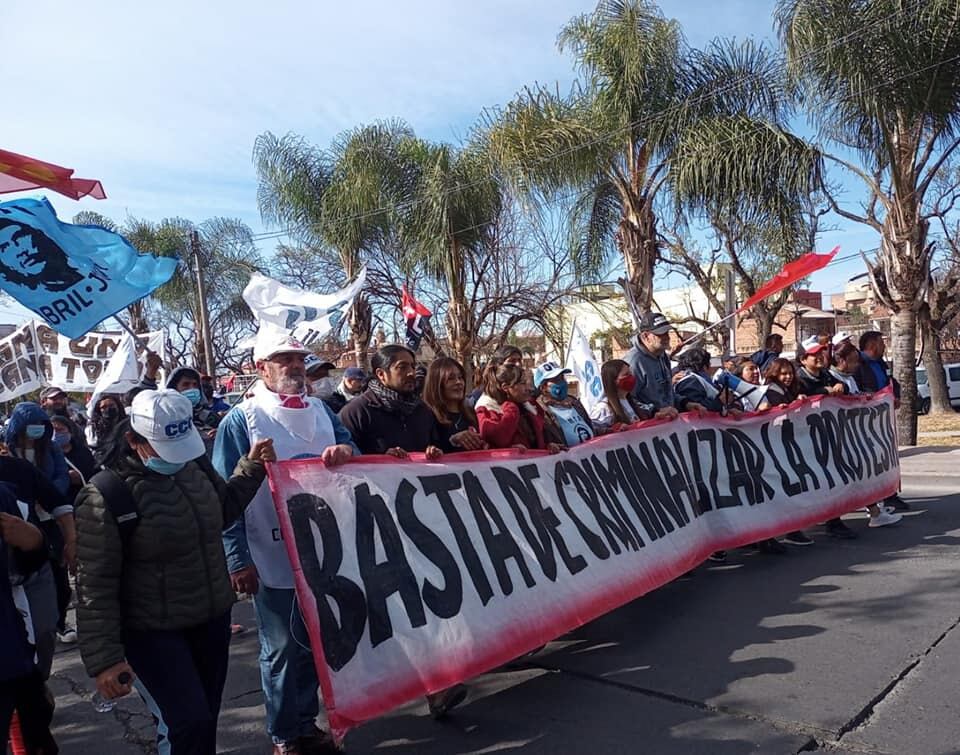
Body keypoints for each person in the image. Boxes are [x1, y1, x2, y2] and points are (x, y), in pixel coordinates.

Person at [75, 389, 274, 755]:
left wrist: (251, 467)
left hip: (210, 618)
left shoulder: (194, 466)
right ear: (134, 440)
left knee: (203, 721)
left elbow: (223, 509)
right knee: (187, 722)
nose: (176, 459)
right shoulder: (105, 495)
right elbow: (94, 585)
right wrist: (104, 659)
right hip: (152, 632)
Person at [217, 330, 356, 754]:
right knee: (278, 648)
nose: (295, 366)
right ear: (262, 369)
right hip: (270, 549)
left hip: (322, 546)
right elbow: (225, 495)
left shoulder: (319, 409)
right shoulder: (240, 420)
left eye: (298, 359)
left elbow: (349, 444)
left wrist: (345, 451)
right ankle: (283, 736)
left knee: (314, 642)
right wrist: (237, 558)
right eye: (283, 360)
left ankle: (303, 721)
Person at [4, 402, 75, 675]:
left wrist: (71, 540)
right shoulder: (11, 450)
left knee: (43, 629)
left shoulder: (19, 468)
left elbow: (58, 499)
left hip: (34, 566)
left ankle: (39, 678)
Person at [0, 484, 58, 754]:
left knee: (33, 738)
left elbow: (22, 569)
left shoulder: (2, 495)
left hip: (11, 655)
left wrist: (33, 541)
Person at [339, 345, 443, 459]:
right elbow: (346, 460)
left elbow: (437, 446)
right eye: (402, 367)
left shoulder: (423, 410)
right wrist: (381, 459)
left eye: (413, 367)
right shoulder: (355, 413)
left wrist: (435, 452)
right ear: (381, 374)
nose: (411, 373)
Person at [475, 363, 563, 452]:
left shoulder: (528, 407)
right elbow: (497, 440)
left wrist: (547, 446)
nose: (528, 388)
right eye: (522, 383)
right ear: (506, 387)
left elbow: (535, 441)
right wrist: (508, 451)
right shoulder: (487, 410)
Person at [422, 357, 488, 452]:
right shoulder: (426, 416)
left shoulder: (471, 413)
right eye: (451, 378)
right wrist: (453, 441)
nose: (458, 382)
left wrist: (484, 445)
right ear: (437, 383)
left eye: (460, 377)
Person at [624, 312, 681, 418]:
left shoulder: (663, 356)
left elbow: (668, 393)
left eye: (667, 332)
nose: (666, 337)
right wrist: (654, 411)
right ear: (646, 336)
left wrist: (686, 403)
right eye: (660, 334)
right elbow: (626, 400)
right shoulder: (633, 362)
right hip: (648, 427)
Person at [533, 361, 596, 447]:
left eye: (562, 378)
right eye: (556, 380)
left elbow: (591, 428)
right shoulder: (539, 410)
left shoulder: (574, 403)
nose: (562, 382)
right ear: (543, 387)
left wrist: (610, 430)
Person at [589, 359, 657, 431]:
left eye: (630, 373)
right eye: (626, 374)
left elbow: (650, 412)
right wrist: (612, 429)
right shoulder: (603, 408)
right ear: (613, 380)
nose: (631, 377)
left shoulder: (634, 402)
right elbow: (593, 430)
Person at [673, 348, 723, 413]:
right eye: (709, 363)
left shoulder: (692, 379)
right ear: (705, 367)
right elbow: (697, 407)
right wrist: (720, 401)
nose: (710, 366)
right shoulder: (690, 381)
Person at [87, 395, 127, 462]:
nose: (108, 408)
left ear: (118, 406)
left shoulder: (128, 422)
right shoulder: (94, 428)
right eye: (103, 407)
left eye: (111, 405)